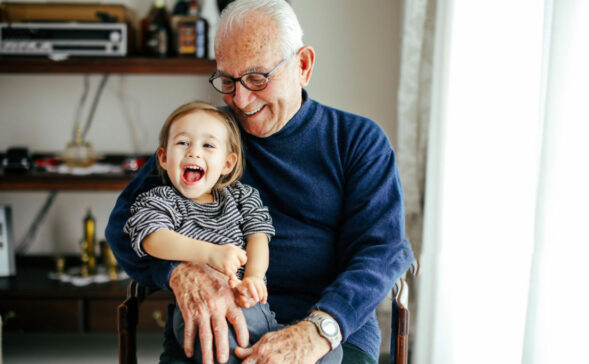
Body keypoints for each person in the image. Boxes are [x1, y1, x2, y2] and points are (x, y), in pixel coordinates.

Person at [105, 0, 415, 363]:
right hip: (217, 321)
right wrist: (178, 269)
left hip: (326, 323)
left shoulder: (358, 140)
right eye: (227, 80)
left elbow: (381, 250)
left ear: (303, 66)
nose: (241, 99)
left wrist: (319, 329)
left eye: (257, 78)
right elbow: (124, 225)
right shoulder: (204, 138)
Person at [122, 101, 341, 364]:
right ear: (164, 158)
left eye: (208, 145)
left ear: (227, 163)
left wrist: (254, 278)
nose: (193, 152)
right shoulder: (161, 199)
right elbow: (152, 238)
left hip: (254, 309)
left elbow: (259, 236)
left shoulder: (242, 196)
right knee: (221, 344)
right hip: (202, 313)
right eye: (183, 143)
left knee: (330, 351)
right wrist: (209, 253)